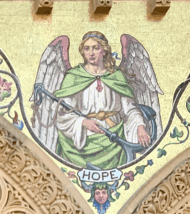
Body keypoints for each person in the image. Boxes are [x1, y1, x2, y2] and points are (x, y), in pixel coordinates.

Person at [55, 31, 151, 170]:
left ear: (104, 51)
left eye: (96, 48)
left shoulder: (116, 76)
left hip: (114, 140)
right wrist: (83, 122)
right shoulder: (73, 77)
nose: (91, 53)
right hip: (83, 141)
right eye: (87, 48)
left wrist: (140, 126)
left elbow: (129, 110)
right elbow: (63, 113)